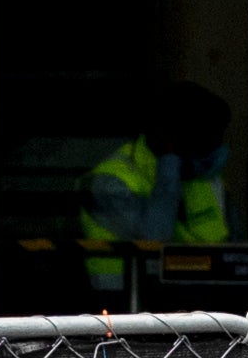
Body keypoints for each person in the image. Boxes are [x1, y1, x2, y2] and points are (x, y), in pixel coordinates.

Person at [80, 84, 233, 299]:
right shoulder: (109, 181)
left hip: (199, 301)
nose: (214, 150)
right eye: (204, 138)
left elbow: (238, 252)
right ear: (166, 136)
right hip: (121, 304)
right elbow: (154, 237)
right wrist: (169, 165)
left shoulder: (206, 178)